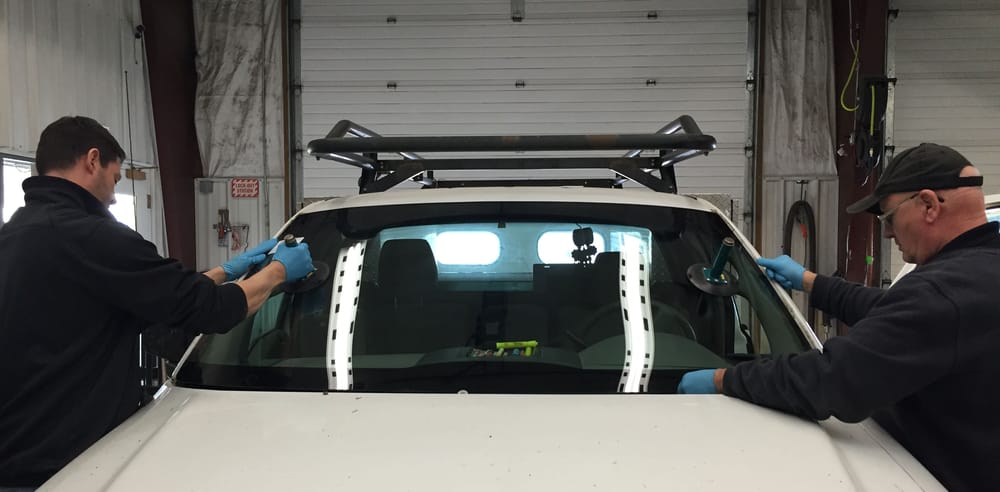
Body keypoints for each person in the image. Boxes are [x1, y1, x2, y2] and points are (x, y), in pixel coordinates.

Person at [0, 116, 315, 490]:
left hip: (18, 455)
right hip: (70, 469)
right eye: (115, 179)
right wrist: (278, 271)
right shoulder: (93, 238)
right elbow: (208, 309)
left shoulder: (15, 235)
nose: (113, 196)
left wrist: (227, 271)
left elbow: (157, 294)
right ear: (92, 160)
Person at [677, 143, 999, 491]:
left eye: (888, 217)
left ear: (928, 205)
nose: (888, 233)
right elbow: (897, 311)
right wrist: (811, 283)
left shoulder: (942, 292)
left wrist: (724, 379)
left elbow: (834, 380)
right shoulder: (978, 275)